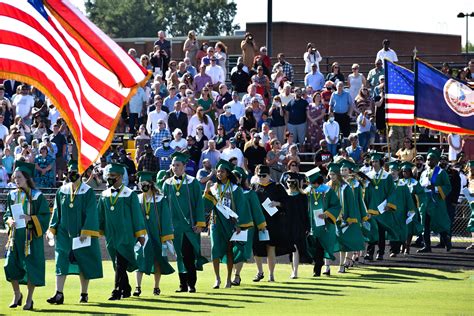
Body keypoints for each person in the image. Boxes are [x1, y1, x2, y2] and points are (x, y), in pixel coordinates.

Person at [47, 160, 103, 305]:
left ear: (81, 173)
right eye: (70, 173)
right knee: (61, 261)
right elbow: (57, 211)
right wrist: (52, 229)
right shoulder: (62, 190)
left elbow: (92, 212)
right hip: (64, 233)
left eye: (75, 173)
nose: (72, 175)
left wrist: (86, 230)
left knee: (83, 261)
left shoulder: (87, 191)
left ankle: (84, 293)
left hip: (81, 234)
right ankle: (58, 293)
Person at [3, 161, 50, 310]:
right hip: (15, 237)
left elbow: (44, 215)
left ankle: (29, 299)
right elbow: (7, 214)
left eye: (19, 177)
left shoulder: (37, 196)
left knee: (31, 268)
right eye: (15, 177)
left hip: (31, 238)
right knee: (9, 265)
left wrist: (31, 218)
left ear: (27, 178)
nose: (16, 180)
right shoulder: (12, 195)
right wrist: (9, 220)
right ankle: (17, 294)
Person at [98, 163, 146, 300]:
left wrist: (140, 234)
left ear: (120, 177)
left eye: (113, 176)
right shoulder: (104, 195)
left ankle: (116, 291)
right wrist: (98, 231)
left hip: (126, 235)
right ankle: (126, 288)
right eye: (108, 176)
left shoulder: (130, 195)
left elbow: (137, 216)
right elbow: (100, 215)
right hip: (111, 236)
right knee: (118, 264)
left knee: (120, 263)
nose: (110, 179)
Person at [162, 152, 208, 293]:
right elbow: (164, 207)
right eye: (173, 165)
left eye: (178, 165)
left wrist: (200, 223)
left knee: (189, 255)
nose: (175, 168)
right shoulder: (167, 184)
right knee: (179, 256)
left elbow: (199, 204)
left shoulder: (192, 182)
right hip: (174, 228)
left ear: (184, 166)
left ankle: (191, 284)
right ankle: (182, 285)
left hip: (190, 227)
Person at [203, 160, 251, 288]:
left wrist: (239, 224)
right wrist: (206, 192)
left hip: (230, 223)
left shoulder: (236, 189)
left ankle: (228, 279)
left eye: (222, 171)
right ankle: (217, 279)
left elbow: (241, 207)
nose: (219, 174)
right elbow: (206, 206)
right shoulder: (213, 188)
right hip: (215, 222)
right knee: (215, 251)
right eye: (218, 171)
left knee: (229, 251)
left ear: (228, 173)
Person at [133, 171, 174, 297]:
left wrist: (166, 237)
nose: (143, 185)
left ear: (151, 184)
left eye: (145, 183)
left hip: (157, 235)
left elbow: (166, 218)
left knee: (158, 260)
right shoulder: (137, 199)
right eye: (141, 183)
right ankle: (138, 287)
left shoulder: (160, 199)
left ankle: (156, 287)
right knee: (140, 259)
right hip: (142, 235)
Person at [252, 165, 293, 282]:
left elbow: (287, 202)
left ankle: (271, 274)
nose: (261, 178)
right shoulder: (254, 186)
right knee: (256, 247)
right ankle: (259, 272)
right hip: (258, 221)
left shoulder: (277, 187)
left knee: (271, 247)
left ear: (269, 175)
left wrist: (278, 203)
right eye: (259, 175)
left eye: (263, 175)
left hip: (273, 221)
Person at [328, 162, 365, 273]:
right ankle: (338, 264)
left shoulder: (346, 188)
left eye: (334, 174)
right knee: (340, 243)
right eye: (330, 174)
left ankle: (343, 264)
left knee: (347, 242)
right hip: (334, 219)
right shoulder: (328, 187)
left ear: (338, 175)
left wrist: (351, 219)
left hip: (346, 219)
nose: (332, 177)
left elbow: (352, 204)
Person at [303, 167, 341, 277]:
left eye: (314, 183)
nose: (312, 185)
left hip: (324, 224)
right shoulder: (308, 191)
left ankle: (318, 268)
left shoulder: (328, 191)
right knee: (311, 246)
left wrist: (327, 214)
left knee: (320, 246)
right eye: (310, 183)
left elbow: (336, 205)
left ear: (319, 181)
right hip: (310, 223)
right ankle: (316, 263)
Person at [418, 148, 452, 253]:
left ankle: (446, 241)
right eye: (428, 159)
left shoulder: (442, 173)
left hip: (436, 202)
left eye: (432, 159)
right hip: (425, 202)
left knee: (439, 223)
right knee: (425, 224)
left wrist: (436, 188)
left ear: (437, 160)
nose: (429, 161)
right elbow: (420, 186)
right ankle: (427, 246)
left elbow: (448, 187)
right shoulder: (423, 173)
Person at [363, 152, 396, 261]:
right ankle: (369, 253)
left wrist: (389, 204)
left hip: (382, 208)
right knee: (371, 231)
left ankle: (380, 253)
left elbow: (392, 192)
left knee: (381, 232)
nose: (374, 163)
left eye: (376, 161)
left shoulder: (387, 176)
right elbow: (365, 193)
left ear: (381, 162)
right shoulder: (368, 176)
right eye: (372, 161)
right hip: (371, 208)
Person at [285, 173, 310, 279]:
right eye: (289, 182)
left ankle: (295, 271)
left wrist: (307, 227)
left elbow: (305, 213)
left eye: (293, 182)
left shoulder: (303, 196)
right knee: (291, 248)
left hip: (299, 225)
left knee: (296, 247)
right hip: (287, 225)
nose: (291, 184)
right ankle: (293, 270)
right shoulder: (285, 196)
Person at [399, 162, 425, 255]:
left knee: (409, 228)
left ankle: (407, 246)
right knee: (401, 227)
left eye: (406, 171)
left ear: (410, 172)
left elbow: (421, 194)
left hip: (411, 208)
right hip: (401, 208)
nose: (404, 173)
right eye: (402, 171)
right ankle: (402, 245)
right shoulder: (399, 182)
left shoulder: (415, 182)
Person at [466, 161, 474, 250]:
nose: (471, 169)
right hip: (472, 205)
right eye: (470, 168)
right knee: (472, 223)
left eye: (472, 168)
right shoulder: (470, 180)